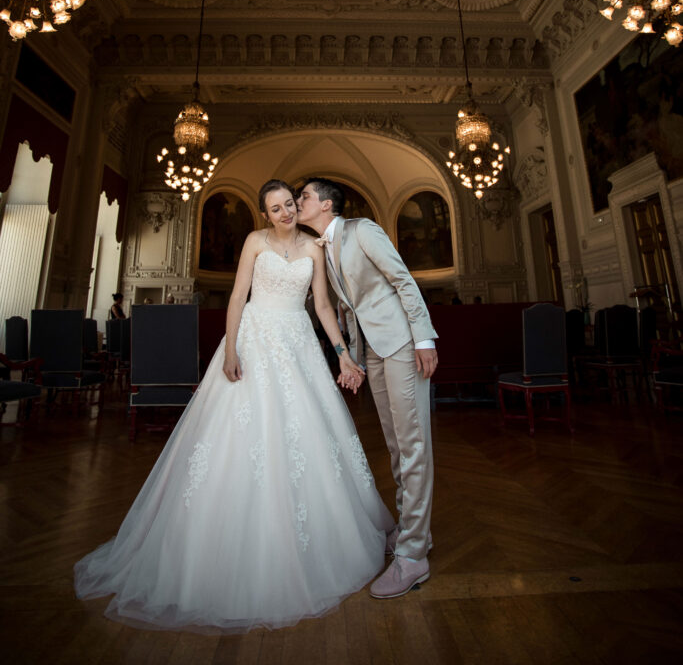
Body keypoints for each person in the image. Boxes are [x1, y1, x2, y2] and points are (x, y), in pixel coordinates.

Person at [74, 179, 393, 632]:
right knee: (240, 435)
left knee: (306, 438)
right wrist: (229, 351)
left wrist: (343, 352)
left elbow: (322, 306)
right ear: (264, 214)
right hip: (254, 340)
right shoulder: (253, 242)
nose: (284, 212)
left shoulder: (314, 248)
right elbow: (238, 296)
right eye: (275, 208)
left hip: (298, 344)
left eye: (289, 205)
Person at [296, 177, 438, 599]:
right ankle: (415, 532)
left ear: (325, 205)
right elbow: (345, 306)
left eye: (303, 197)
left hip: (400, 344)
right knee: (396, 444)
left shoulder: (362, 231)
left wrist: (424, 338)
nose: (297, 202)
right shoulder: (324, 248)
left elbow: (403, 280)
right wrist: (351, 355)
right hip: (370, 350)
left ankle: (413, 556)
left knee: (413, 443)